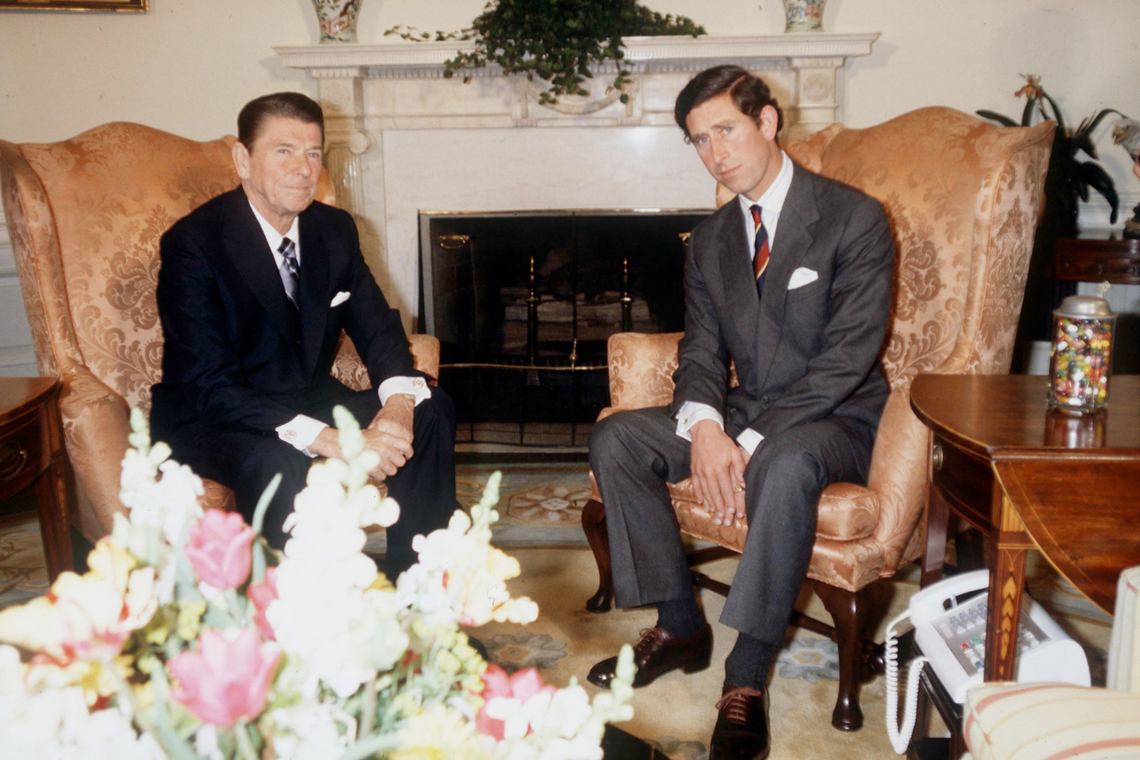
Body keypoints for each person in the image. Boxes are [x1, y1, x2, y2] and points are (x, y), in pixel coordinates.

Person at [586, 65, 894, 760]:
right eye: (700, 140)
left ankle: (747, 675)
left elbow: (847, 359)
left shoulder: (853, 217)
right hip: (747, 407)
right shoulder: (711, 240)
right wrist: (704, 426)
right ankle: (680, 624)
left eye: (726, 130)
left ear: (767, 122)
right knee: (618, 439)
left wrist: (743, 438)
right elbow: (700, 351)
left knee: (782, 463)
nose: (715, 153)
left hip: (839, 417)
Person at [150, 92, 457, 579]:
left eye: (314, 153)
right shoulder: (195, 244)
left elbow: (378, 328)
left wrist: (397, 408)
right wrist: (334, 441)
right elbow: (211, 386)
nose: (303, 169)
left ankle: (419, 591)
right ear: (243, 159)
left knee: (430, 409)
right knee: (275, 459)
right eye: (284, 151)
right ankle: (296, 612)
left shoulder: (333, 230)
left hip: (308, 399)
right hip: (212, 419)